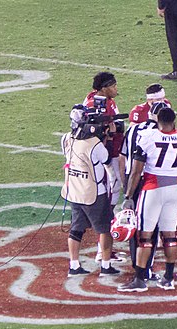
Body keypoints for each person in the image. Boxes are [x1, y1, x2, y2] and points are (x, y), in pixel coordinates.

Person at [118, 107, 177, 292]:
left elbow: (136, 171)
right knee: (170, 235)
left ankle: (139, 279)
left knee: (145, 236)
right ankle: (168, 278)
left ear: (157, 120)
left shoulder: (148, 137)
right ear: (175, 119)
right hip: (176, 187)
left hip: (152, 187)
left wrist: (128, 195)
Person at [61, 103, 121, 277]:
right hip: (94, 193)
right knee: (105, 229)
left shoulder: (65, 138)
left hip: (73, 190)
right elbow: (108, 164)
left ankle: (74, 265)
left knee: (76, 228)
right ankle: (106, 265)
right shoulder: (95, 144)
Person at [120, 101, 170, 280]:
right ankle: (145, 269)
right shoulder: (160, 133)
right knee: (150, 226)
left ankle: (136, 262)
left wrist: (125, 185)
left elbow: (122, 158)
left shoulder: (133, 130)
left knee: (134, 223)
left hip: (131, 180)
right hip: (151, 182)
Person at [83, 71, 126, 263]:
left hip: (110, 153)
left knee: (112, 195)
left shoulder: (102, 100)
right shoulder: (95, 106)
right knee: (109, 200)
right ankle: (103, 251)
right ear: (103, 88)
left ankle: (104, 247)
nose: (116, 88)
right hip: (105, 157)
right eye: (113, 85)